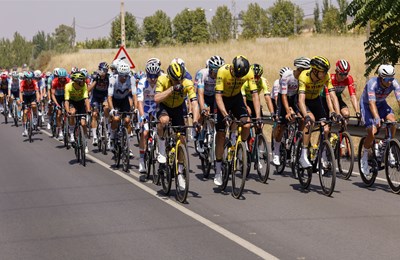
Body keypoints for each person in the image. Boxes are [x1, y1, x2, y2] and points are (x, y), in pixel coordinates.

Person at [213, 55, 262, 186]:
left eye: (242, 77)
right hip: (222, 100)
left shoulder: (249, 73)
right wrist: (225, 115)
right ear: (232, 68)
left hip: (236, 99)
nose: (239, 78)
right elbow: (217, 97)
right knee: (221, 134)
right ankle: (218, 170)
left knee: (247, 125)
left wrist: (258, 116)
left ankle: (242, 148)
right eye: (237, 75)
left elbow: (255, 94)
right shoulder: (222, 71)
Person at [154, 60, 200, 190]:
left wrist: (196, 121)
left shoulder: (187, 83)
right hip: (164, 106)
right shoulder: (162, 79)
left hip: (178, 108)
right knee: (164, 121)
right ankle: (162, 150)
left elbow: (194, 103)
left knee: (182, 138)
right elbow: (156, 98)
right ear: (170, 77)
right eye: (175, 80)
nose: (178, 83)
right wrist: (171, 89)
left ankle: (180, 173)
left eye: (180, 80)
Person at [297, 56, 342, 168]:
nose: (326, 73)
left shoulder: (325, 77)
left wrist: (337, 112)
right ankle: (303, 155)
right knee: (310, 121)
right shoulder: (304, 76)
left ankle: (323, 155)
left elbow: (333, 95)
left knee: (326, 128)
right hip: (304, 101)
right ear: (315, 70)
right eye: (323, 71)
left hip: (316, 101)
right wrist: (306, 116)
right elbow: (301, 100)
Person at [360, 64, 400, 174]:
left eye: (392, 78)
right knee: (372, 133)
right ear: (381, 77)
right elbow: (372, 103)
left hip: (382, 104)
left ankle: (388, 144)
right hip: (367, 106)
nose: (390, 82)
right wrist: (377, 118)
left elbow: (399, 100)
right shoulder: (372, 84)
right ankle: (364, 156)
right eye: (387, 79)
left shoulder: (394, 83)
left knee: (393, 122)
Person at [272, 57, 310, 165]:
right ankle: (276, 151)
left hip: (295, 98)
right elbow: (283, 96)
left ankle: (298, 137)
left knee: (303, 118)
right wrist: (288, 111)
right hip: (283, 97)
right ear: (299, 69)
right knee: (282, 126)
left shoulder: (304, 78)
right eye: (305, 70)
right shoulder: (287, 76)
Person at [194, 55, 225, 153]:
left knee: (214, 118)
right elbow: (200, 93)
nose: (217, 74)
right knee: (203, 114)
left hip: (215, 97)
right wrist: (203, 108)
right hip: (204, 96)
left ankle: (212, 136)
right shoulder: (202, 74)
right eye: (216, 71)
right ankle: (200, 137)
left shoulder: (222, 76)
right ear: (210, 69)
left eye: (219, 71)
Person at [137, 60, 161, 172]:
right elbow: (139, 102)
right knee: (145, 132)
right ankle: (142, 160)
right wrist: (142, 116)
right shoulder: (142, 82)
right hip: (145, 108)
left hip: (156, 107)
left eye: (155, 76)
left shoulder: (161, 81)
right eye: (150, 76)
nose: (153, 79)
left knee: (162, 128)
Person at [108, 62, 136, 155]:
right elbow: (109, 97)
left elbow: (134, 95)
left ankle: (127, 145)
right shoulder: (113, 79)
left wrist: (135, 108)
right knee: (116, 119)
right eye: (122, 76)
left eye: (125, 76)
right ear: (118, 74)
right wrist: (112, 109)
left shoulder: (131, 79)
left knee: (127, 121)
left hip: (124, 100)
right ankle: (112, 138)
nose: (124, 78)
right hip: (115, 101)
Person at [64, 72, 91, 153]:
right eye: (82, 80)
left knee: (83, 124)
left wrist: (88, 110)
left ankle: (85, 143)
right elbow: (66, 101)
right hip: (72, 102)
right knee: (72, 112)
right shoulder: (68, 86)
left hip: (80, 103)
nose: (84, 82)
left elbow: (86, 99)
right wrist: (68, 111)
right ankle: (71, 133)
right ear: (76, 81)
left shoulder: (84, 85)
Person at [88, 62, 111, 146]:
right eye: (103, 70)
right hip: (96, 97)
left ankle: (107, 127)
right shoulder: (94, 76)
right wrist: (95, 81)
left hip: (104, 96)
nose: (104, 72)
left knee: (106, 108)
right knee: (94, 114)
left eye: (106, 70)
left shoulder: (108, 77)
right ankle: (94, 136)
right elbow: (88, 90)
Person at [51, 68, 71, 140]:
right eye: (60, 78)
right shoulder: (54, 82)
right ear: (58, 77)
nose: (62, 80)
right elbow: (52, 94)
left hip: (66, 96)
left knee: (69, 111)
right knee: (59, 113)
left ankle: (69, 126)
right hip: (58, 97)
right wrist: (57, 104)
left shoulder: (68, 81)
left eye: (64, 78)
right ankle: (60, 131)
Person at [19, 71, 41, 136]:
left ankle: (34, 117)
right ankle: (25, 129)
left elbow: (37, 92)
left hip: (32, 96)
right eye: (28, 79)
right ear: (25, 78)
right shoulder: (22, 83)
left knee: (34, 105)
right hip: (25, 96)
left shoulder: (35, 82)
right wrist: (21, 101)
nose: (30, 80)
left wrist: (38, 100)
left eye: (31, 78)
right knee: (25, 112)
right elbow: (20, 93)